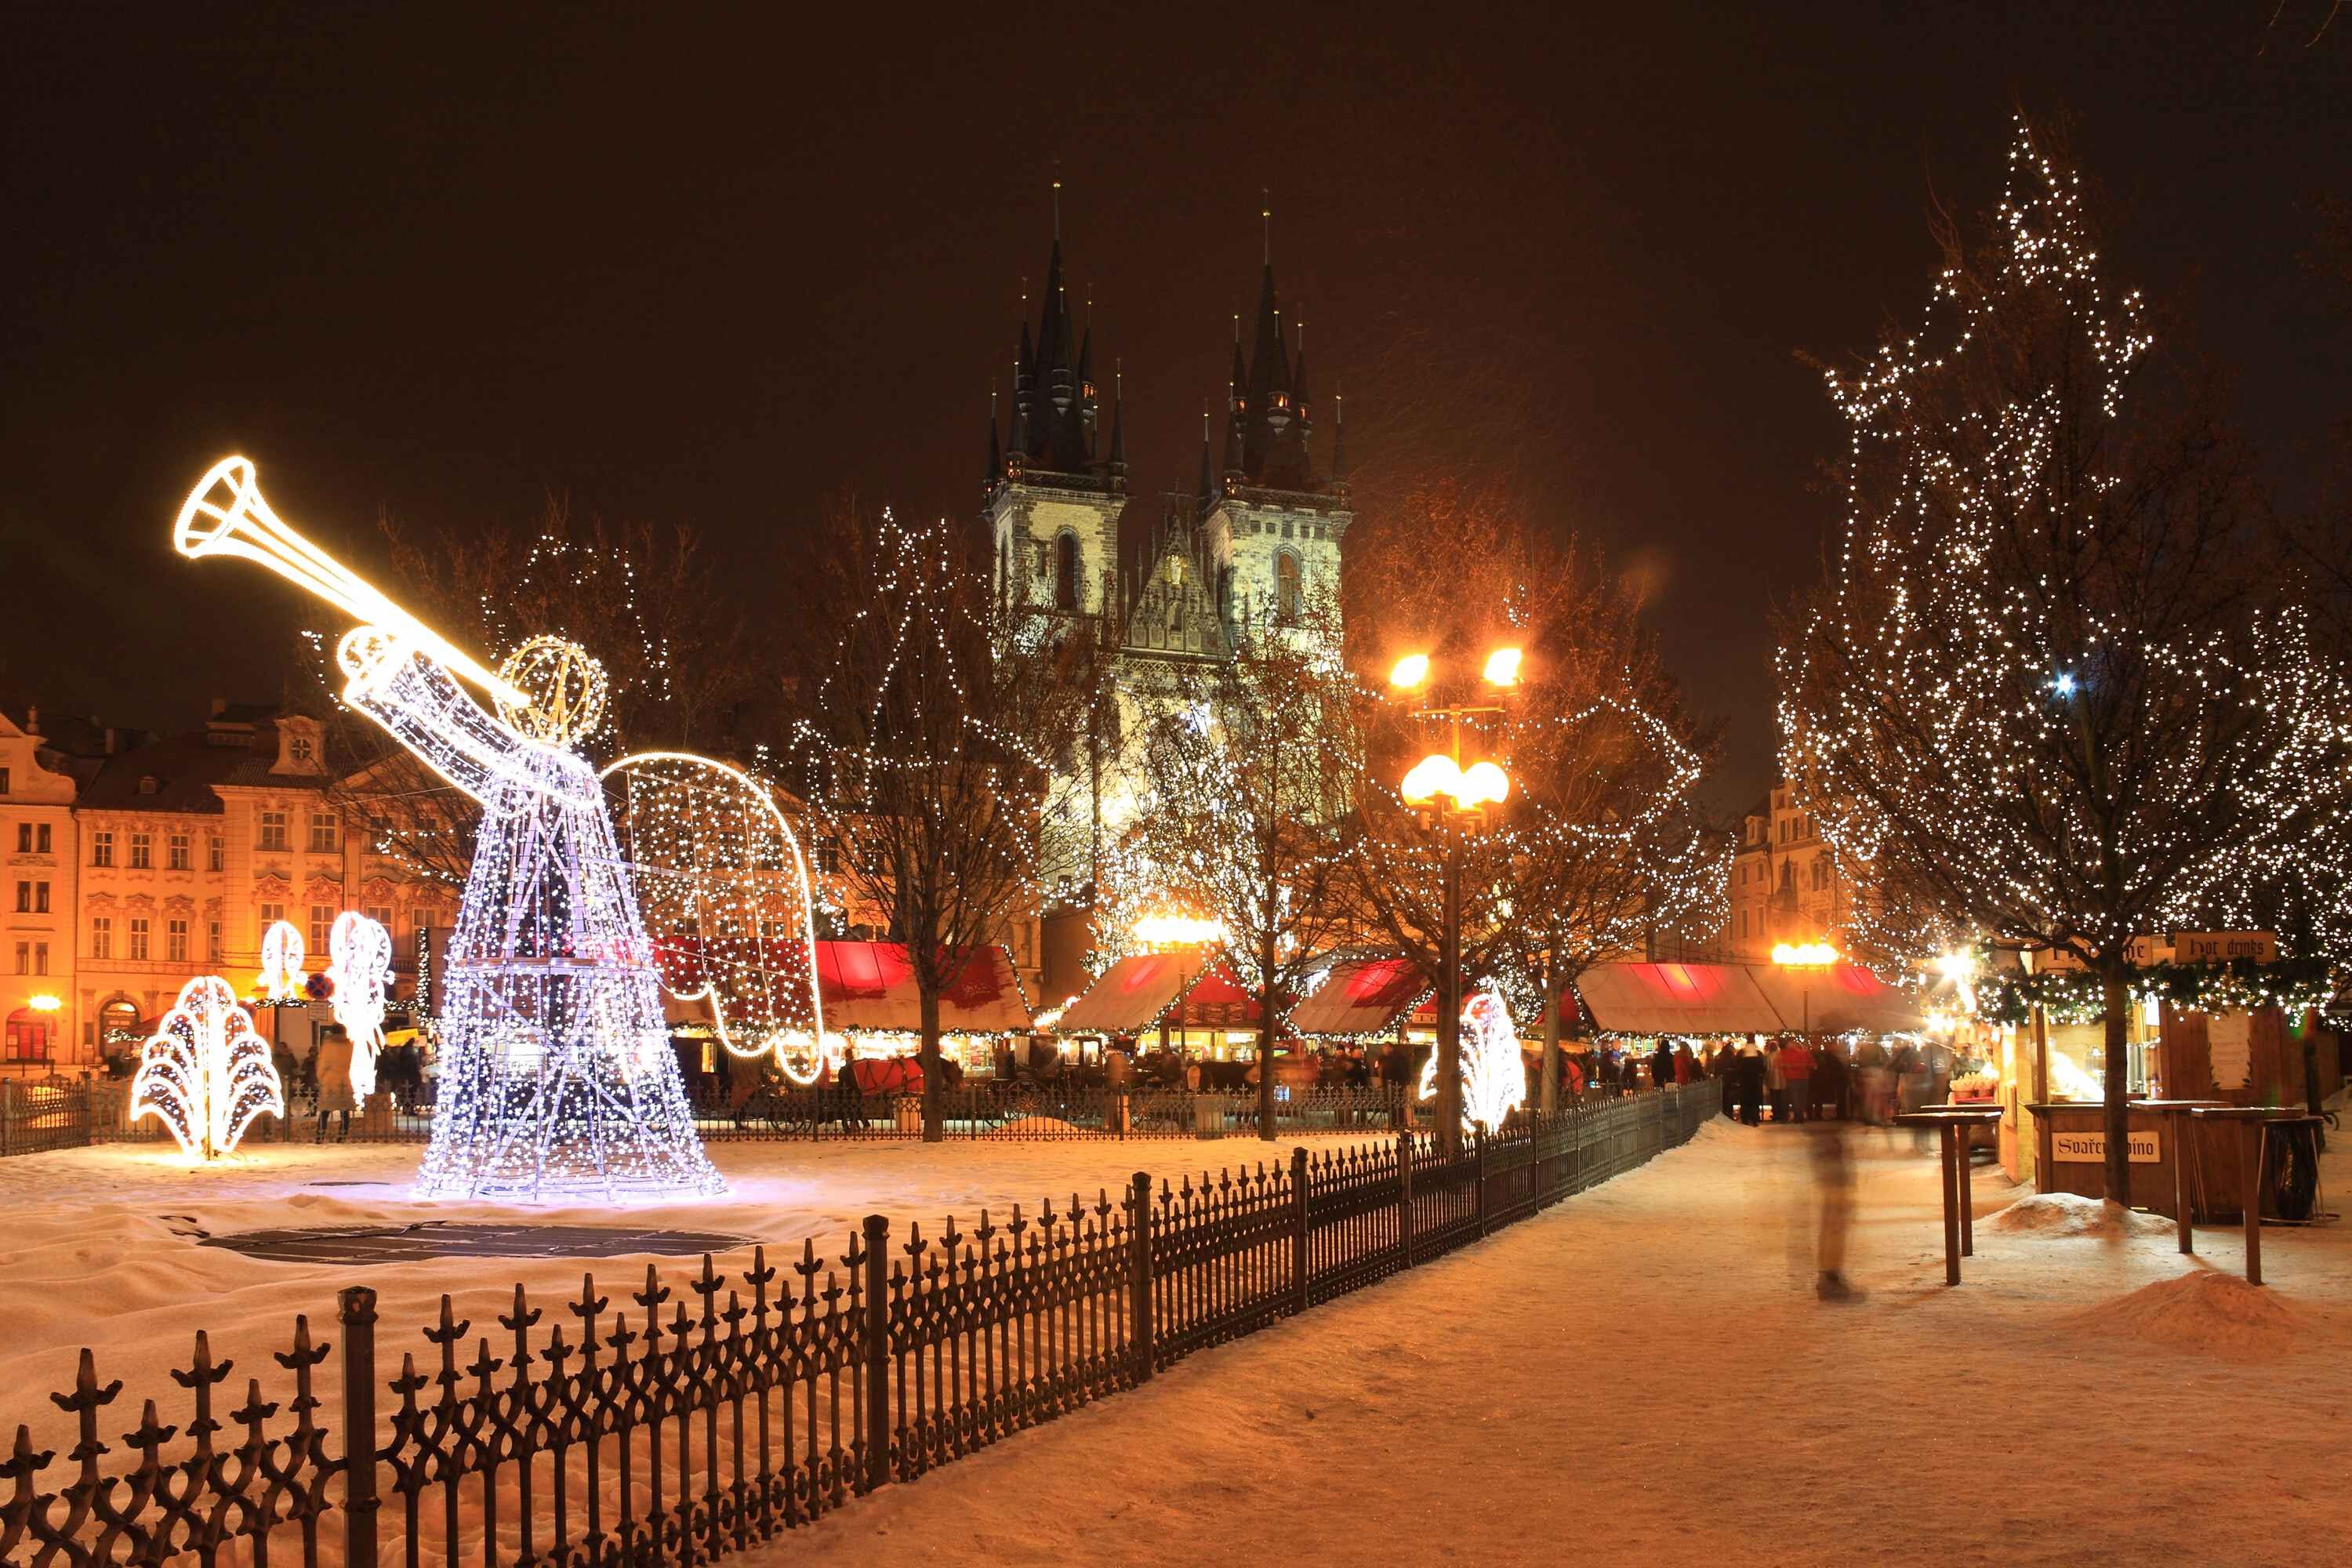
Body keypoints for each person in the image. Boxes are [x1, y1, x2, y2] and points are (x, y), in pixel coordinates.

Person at [1813, 1114, 1864, 1303]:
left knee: (1836, 1211)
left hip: (1831, 1133)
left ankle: (1830, 1274)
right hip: (1829, 1132)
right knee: (1835, 1211)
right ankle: (1830, 1275)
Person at [313, 1023, 356, 1143]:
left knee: (325, 1110)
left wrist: (320, 1076)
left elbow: (323, 1063)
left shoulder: (329, 1045)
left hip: (330, 1080)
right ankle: (342, 1136)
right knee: (344, 1111)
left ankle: (320, 1136)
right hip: (344, 1079)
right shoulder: (349, 1045)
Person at [1778, 1038, 1814, 1123]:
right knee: (1802, 1098)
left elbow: (1779, 1064)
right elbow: (1813, 1065)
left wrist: (1789, 1068)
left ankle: (1798, 1116)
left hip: (1791, 1078)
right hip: (1804, 1078)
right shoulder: (1805, 1053)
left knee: (1795, 1099)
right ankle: (1800, 1116)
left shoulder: (1784, 1053)